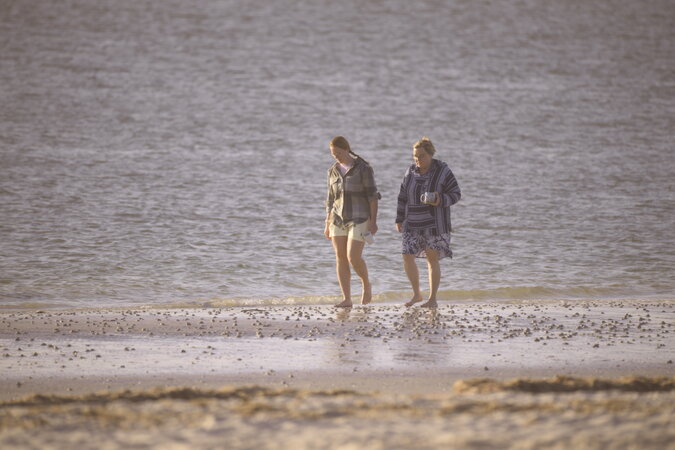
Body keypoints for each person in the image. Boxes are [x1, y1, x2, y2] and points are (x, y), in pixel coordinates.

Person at [395, 137, 461, 308]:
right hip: (412, 224)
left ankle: (432, 299)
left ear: (431, 154)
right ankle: (417, 294)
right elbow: (402, 196)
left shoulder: (442, 171)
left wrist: (440, 199)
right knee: (407, 255)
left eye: (421, 156)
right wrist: (399, 218)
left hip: (435, 224)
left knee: (432, 259)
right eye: (415, 156)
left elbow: (456, 194)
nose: (418, 160)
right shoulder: (410, 171)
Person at [325, 136, 380, 307]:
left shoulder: (363, 168)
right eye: (333, 154)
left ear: (346, 149)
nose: (336, 157)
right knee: (340, 257)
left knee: (353, 257)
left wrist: (373, 221)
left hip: (359, 217)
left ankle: (366, 283)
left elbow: (373, 197)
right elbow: (330, 199)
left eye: (338, 153)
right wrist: (327, 223)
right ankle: (347, 298)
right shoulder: (333, 171)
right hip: (337, 219)